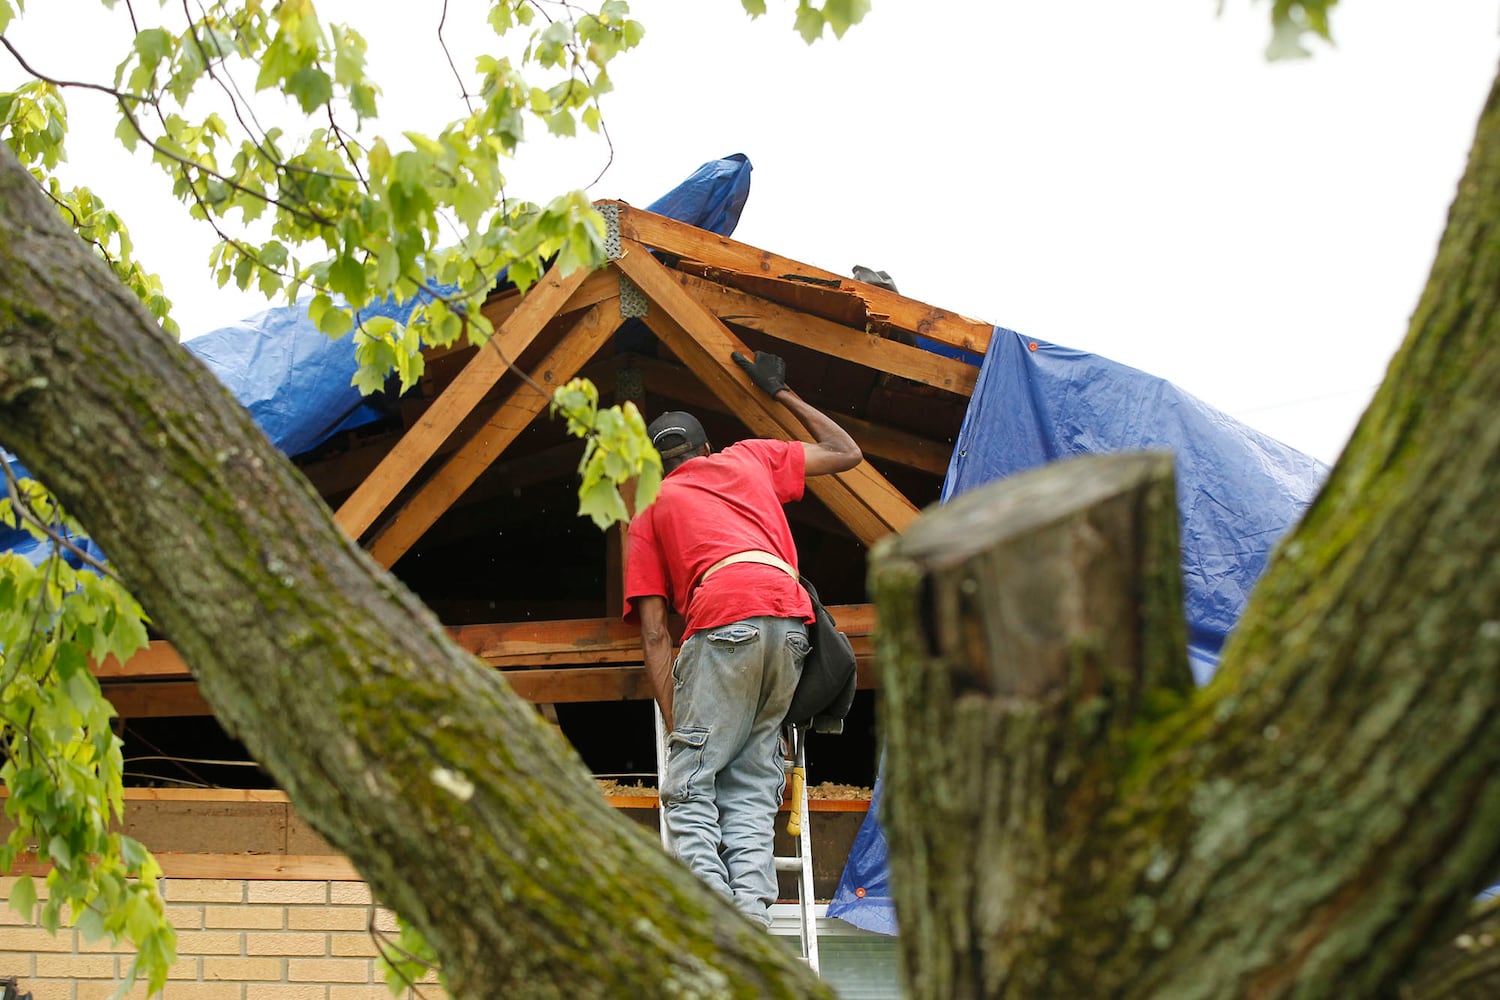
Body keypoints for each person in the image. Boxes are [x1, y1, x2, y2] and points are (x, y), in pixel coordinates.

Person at [623, 349, 862, 927]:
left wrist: (681, 727)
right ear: (706, 449)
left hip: (724, 617)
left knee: (688, 784)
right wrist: (783, 394)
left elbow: (655, 633)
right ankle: (752, 920)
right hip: (790, 623)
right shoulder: (749, 459)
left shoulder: (650, 509)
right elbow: (846, 451)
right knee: (753, 787)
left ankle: (715, 916)